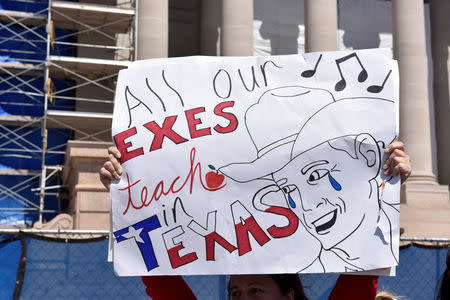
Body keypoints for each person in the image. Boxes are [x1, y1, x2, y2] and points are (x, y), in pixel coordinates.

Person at [219, 89, 410, 272]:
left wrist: (388, 181)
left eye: (315, 175)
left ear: (367, 156)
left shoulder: (370, 249)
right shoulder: (297, 262)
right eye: (287, 189)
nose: (306, 206)